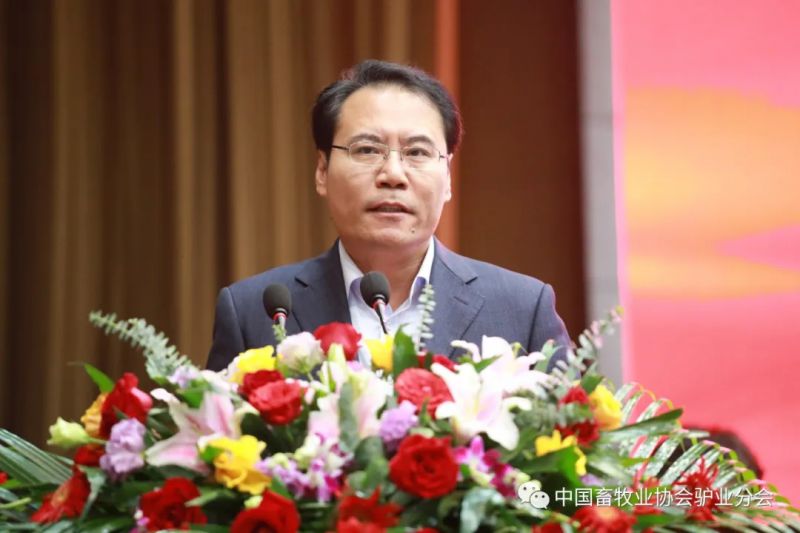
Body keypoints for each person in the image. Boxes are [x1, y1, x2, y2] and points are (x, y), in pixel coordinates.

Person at [207, 59, 570, 371]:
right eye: (367, 150)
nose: (393, 174)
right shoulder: (253, 311)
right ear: (322, 171)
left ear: (447, 177)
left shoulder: (522, 309)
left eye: (417, 152)